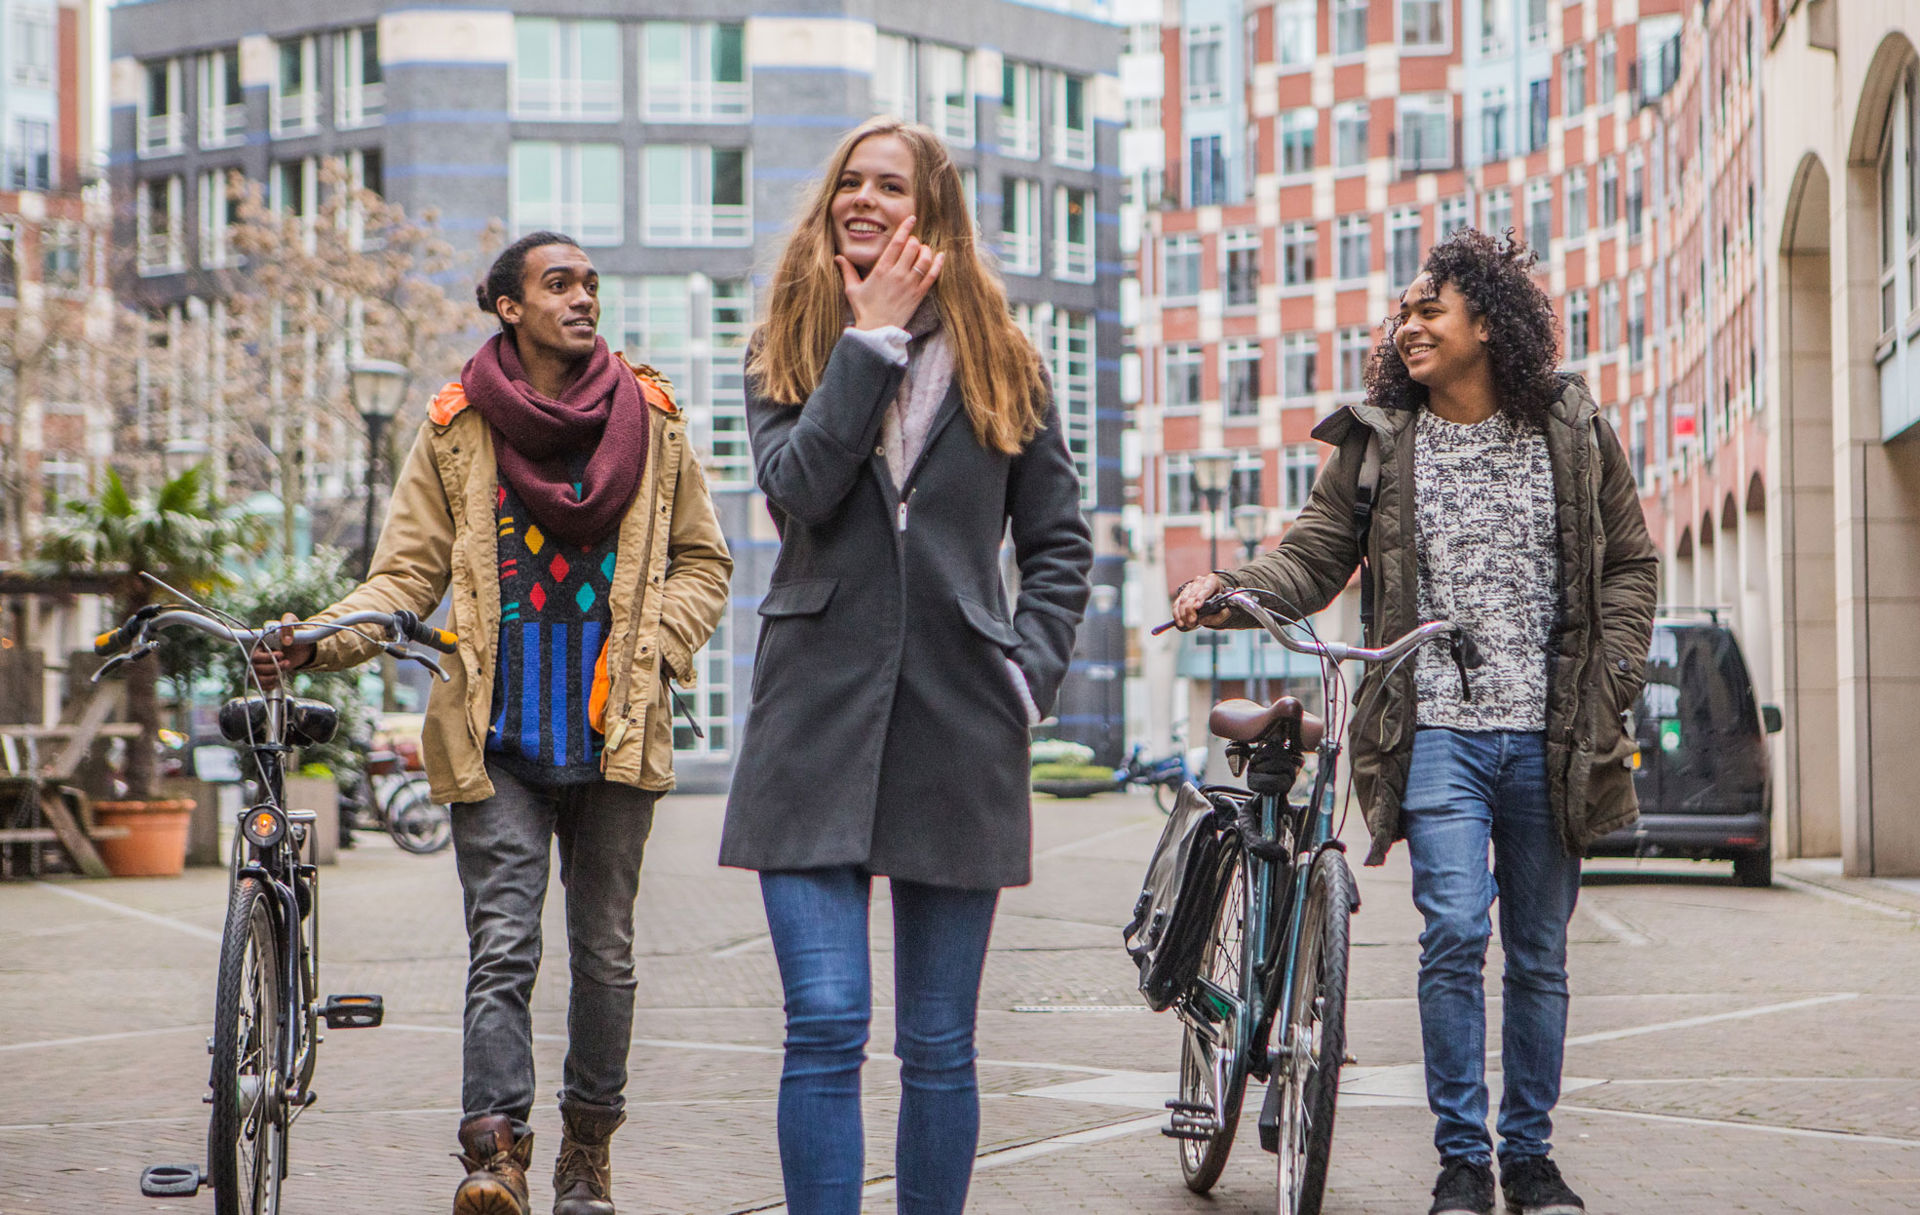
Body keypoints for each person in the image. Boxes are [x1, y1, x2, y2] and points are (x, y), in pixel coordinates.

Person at [1173, 229, 1656, 1215]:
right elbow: (1312, 558)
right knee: (1448, 934)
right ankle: (1460, 1165)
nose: (1409, 325)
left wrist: (1611, 677)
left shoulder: (1569, 425)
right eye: (1403, 313)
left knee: (1538, 951)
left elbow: (1631, 563)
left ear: (1488, 321)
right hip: (1436, 731)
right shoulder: (1381, 437)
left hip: (1555, 738)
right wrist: (1232, 588)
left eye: (1429, 308)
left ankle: (1529, 1157)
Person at [253, 231, 732, 1215]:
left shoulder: (651, 417)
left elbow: (703, 561)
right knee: (503, 944)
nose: (583, 298)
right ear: (508, 306)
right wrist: (317, 641)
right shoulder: (457, 426)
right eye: (560, 284)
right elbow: (403, 577)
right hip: (494, 734)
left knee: (605, 953)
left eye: (591, 283)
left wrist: (656, 652)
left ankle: (587, 1155)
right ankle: (496, 1157)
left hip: (615, 733)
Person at [718, 116, 1093, 1214]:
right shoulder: (788, 342)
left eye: (890, 184)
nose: (864, 198)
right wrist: (866, 343)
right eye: (850, 182)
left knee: (938, 1044)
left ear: (932, 212)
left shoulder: (1007, 361)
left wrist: (1028, 670)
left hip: (962, 719)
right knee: (827, 1020)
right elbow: (800, 491)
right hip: (812, 718)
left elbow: (1060, 541)